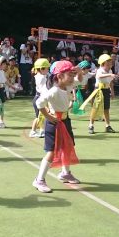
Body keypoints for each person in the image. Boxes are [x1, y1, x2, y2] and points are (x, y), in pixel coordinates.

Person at [32, 60, 80, 193]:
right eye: (70, 75)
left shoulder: (68, 86)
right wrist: (48, 117)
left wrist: (79, 71)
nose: (72, 77)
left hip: (65, 121)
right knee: (51, 152)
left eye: (72, 74)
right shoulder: (53, 91)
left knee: (67, 147)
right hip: (54, 123)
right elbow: (39, 103)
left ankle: (65, 173)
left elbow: (81, 80)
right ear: (59, 76)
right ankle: (39, 179)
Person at [82, 54, 116, 135]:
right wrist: (109, 75)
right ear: (103, 63)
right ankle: (91, 125)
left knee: (106, 109)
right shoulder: (100, 70)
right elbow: (100, 76)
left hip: (106, 90)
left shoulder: (110, 71)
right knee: (95, 108)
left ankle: (108, 126)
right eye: (108, 63)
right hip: (99, 90)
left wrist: (112, 91)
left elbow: (110, 82)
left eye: (110, 63)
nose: (110, 64)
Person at [29, 58, 50, 138]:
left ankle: (42, 130)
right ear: (41, 69)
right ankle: (33, 131)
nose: (48, 70)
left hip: (40, 98)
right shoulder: (41, 77)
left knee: (42, 116)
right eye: (47, 68)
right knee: (39, 117)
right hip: (40, 98)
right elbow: (43, 90)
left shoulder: (40, 75)